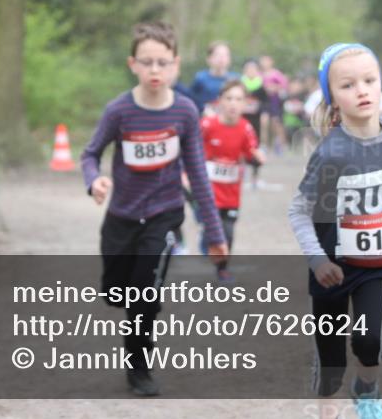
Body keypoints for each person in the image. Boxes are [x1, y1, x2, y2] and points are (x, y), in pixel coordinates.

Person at [288, 43, 382, 419]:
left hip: (379, 263)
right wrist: (317, 260)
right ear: (333, 99)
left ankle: (367, 388)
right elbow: (299, 210)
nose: (362, 90)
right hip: (331, 268)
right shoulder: (330, 153)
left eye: (370, 80)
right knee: (331, 355)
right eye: (348, 84)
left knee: (369, 341)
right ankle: (328, 402)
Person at [81, 21, 229, 397]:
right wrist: (94, 179)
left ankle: (139, 369)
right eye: (147, 63)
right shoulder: (119, 111)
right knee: (117, 292)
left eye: (162, 63)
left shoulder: (184, 112)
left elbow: (197, 174)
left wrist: (214, 234)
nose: (155, 71)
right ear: (133, 64)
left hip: (164, 214)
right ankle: (126, 301)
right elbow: (90, 153)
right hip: (121, 218)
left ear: (176, 64)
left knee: (144, 296)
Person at [199, 79, 266, 283]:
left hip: (231, 192)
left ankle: (222, 267)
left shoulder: (245, 128)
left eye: (238, 99)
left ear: (245, 104)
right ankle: (210, 245)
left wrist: (257, 156)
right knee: (213, 227)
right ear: (219, 101)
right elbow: (194, 153)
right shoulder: (207, 125)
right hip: (208, 190)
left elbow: (250, 151)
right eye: (228, 98)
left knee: (228, 231)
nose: (233, 104)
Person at [189, 41, 238, 114]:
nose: (221, 58)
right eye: (217, 55)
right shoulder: (200, 78)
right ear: (209, 59)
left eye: (225, 55)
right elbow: (191, 100)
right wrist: (203, 109)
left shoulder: (235, 79)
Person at [240, 60, 268, 187]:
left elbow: (266, 104)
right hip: (242, 121)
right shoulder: (240, 85)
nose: (251, 71)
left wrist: (264, 116)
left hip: (255, 122)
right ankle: (241, 175)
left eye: (253, 69)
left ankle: (255, 178)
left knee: (255, 147)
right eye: (248, 69)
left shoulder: (261, 87)